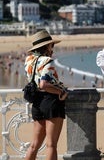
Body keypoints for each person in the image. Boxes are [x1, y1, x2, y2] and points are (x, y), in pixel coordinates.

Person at [24, 30, 68, 160]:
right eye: (51, 45)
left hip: (37, 102)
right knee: (51, 145)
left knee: (34, 145)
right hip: (51, 102)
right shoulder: (48, 61)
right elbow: (43, 84)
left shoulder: (29, 60)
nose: (52, 47)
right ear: (47, 46)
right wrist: (61, 91)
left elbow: (36, 82)